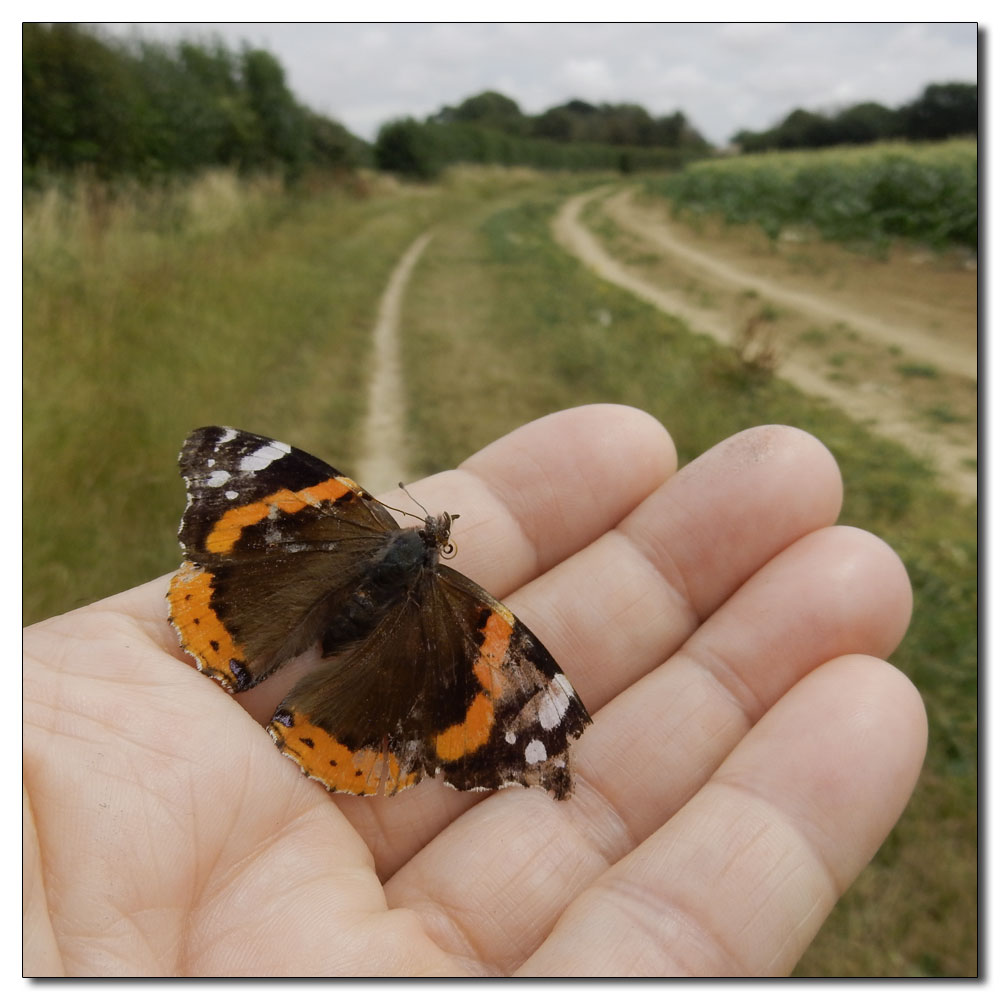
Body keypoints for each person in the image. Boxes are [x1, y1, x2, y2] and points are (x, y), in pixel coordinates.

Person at [23, 405, 926, 976]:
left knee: (295, 622)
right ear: (437, 547)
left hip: (268, 597)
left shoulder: (339, 508)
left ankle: (241, 648)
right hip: (357, 660)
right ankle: (299, 702)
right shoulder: (477, 621)